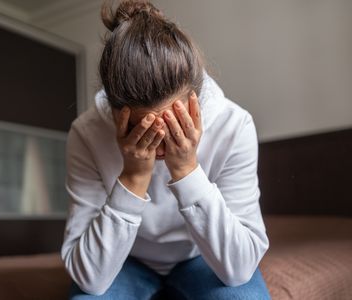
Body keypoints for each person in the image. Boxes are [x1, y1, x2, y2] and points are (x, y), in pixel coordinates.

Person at [62, 0, 271, 299]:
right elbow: (90, 279)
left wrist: (186, 170)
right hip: (126, 260)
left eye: (175, 125)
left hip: (199, 256)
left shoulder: (234, 126)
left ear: (195, 103)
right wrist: (133, 177)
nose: (161, 146)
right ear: (115, 113)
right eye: (144, 130)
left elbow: (239, 269)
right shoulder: (86, 134)